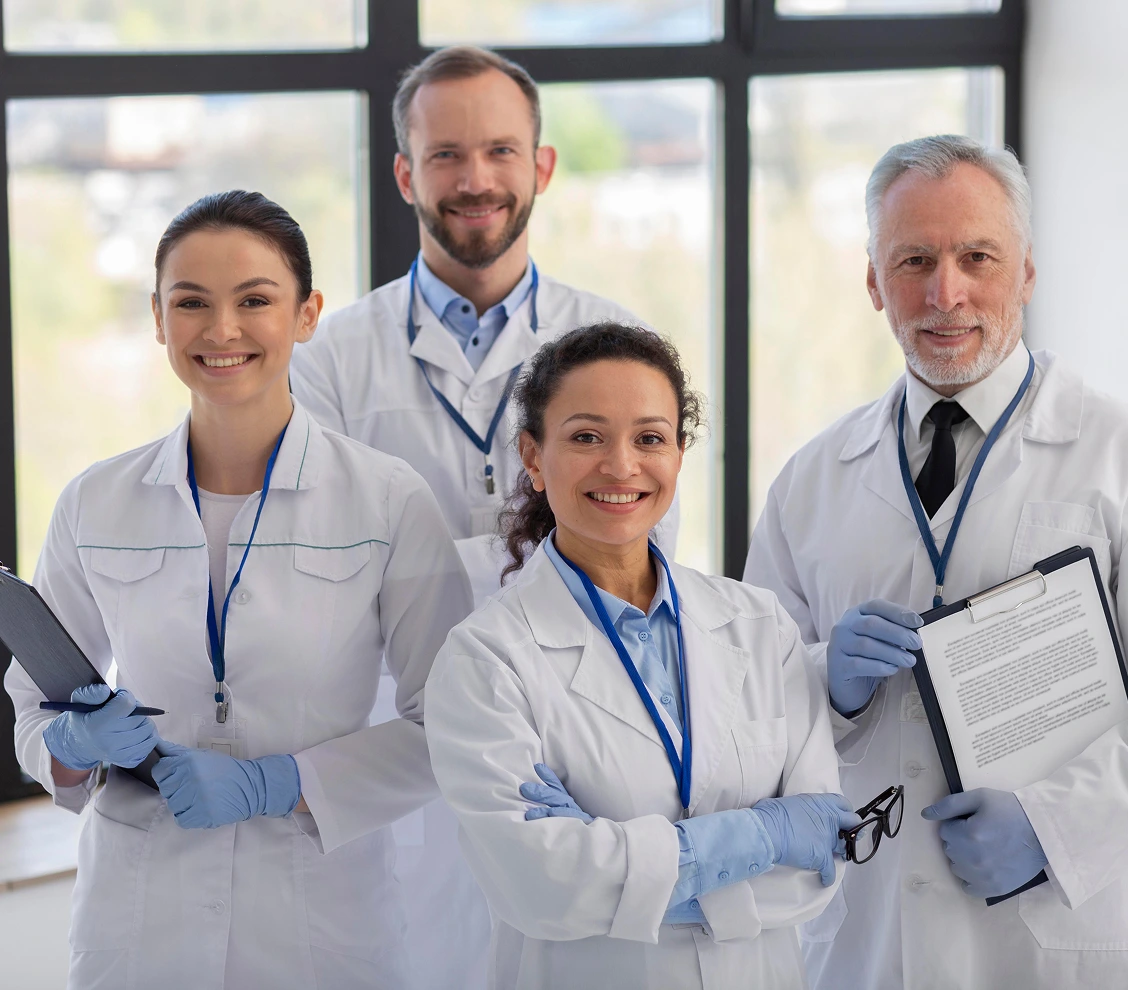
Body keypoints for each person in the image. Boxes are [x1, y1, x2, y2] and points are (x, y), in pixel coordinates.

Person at [744, 134, 1128, 990]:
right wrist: (820, 685)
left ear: (1025, 272)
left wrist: (1056, 827)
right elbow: (744, 705)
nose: (945, 293)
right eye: (913, 259)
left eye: (976, 256)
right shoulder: (810, 481)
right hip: (867, 941)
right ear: (874, 282)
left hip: (1050, 935)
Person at [3, 190, 473, 990]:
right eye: (191, 303)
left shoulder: (388, 500)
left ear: (307, 313)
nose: (221, 331)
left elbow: (456, 726)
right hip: (139, 922)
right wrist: (74, 748)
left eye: (255, 300)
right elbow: (32, 712)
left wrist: (278, 783)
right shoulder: (95, 500)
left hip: (321, 928)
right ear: (158, 318)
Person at [289, 46, 676, 987]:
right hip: (394, 747)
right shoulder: (331, 359)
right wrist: (515, 561)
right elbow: (318, 572)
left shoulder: (612, 344)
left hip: (572, 739)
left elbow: (639, 551)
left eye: (501, 151)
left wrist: (423, 563)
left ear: (540, 166)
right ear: (405, 173)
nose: (476, 181)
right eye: (448, 155)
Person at [424, 323, 863, 989]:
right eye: (586, 437)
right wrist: (763, 836)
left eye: (649, 438)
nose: (622, 465)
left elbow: (814, 875)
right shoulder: (487, 660)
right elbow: (539, 889)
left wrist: (611, 870)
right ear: (534, 458)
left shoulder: (759, 626)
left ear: (680, 454)